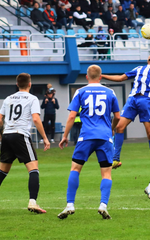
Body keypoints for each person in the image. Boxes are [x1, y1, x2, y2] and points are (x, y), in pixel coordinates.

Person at [57, 65, 120, 220]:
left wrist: (65, 136)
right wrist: (111, 129)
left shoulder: (80, 91)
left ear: (87, 76)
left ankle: (70, 204)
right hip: (105, 137)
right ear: (100, 76)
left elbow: (72, 117)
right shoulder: (110, 92)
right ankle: (103, 205)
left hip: (86, 136)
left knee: (75, 168)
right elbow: (118, 117)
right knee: (106, 172)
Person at [0, 73, 50, 214]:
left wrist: (2, 135)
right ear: (30, 84)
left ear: (17, 84)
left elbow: (0, 120)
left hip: (6, 135)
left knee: (2, 171)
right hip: (20, 134)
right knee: (33, 169)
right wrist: (45, 138)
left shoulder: (8, 98)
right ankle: (32, 202)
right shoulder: (32, 98)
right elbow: (36, 119)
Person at [101, 51, 150, 169]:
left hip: (146, 99)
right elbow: (121, 78)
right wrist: (102, 76)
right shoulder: (139, 68)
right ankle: (116, 159)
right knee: (119, 127)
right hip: (132, 99)